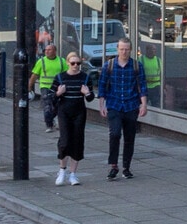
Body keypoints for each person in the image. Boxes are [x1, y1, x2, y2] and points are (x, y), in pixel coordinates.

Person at [97, 37, 148, 180]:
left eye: (126, 49)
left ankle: (126, 167)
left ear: (131, 50)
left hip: (131, 105)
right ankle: (113, 165)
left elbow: (142, 87)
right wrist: (101, 105)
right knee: (114, 134)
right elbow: (102, 87)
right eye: (121, 49)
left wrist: (144, 104)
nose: (124, 52)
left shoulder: (137, 66)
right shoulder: (109, 65)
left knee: (129, 137)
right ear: (117, 49)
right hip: (114, 105)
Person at [52, 52, 95, 185]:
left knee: (77, 141)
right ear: (67, 63)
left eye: (78, 63)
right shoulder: (60, 77)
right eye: (73, 63)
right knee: (64, 141)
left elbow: (90, 97)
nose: (76, 66)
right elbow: (51, 97)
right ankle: (62, 170)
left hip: (79, 111)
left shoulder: (85, 78)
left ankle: (73, 174)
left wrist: (87, 93)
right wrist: (59, 93)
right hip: (64, 111)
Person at [30, 44, 67, 129]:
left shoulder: (62, 61)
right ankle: (49, 125)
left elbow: (66, 74)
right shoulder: (41, 61)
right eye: (45, 50)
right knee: (47, 106)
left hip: (58, 87)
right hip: (45, 87)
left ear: (55, 51)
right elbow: (34, 75)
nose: (46, 51)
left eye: (49, 50)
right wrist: (29, 87)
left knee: (57, 105)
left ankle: (52, 119)